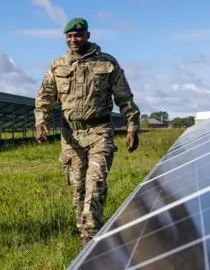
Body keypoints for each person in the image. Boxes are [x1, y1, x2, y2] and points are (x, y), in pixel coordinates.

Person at [34, 18, 140, 247]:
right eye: (69, 36)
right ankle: (83, 227)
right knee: (77, 187)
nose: (74, 40)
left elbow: (124, 97)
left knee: (96, 181)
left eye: (78, 35)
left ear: (88, 35)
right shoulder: (58, 65)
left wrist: (132, 126)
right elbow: (44, 98)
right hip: (71, 136)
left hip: (99, 131)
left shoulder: (107, 63)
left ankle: (90, 234)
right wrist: (40, 122)